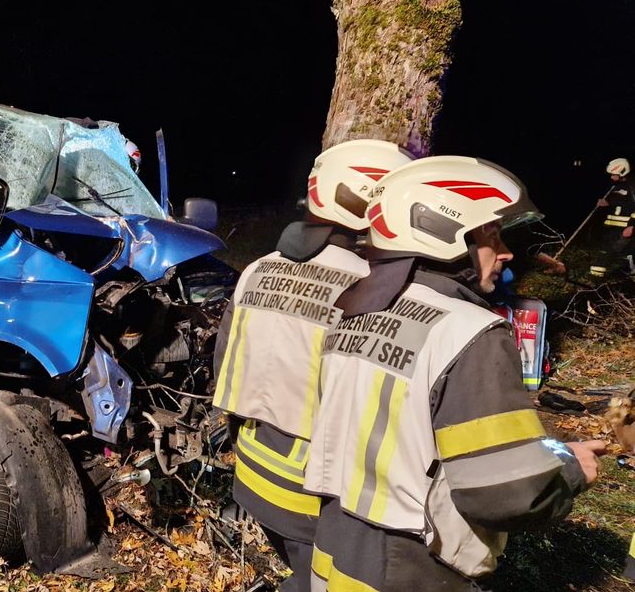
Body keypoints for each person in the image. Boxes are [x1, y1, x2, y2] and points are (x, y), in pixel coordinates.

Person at [306, 156, 605, 590]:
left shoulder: (355, 309)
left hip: (336, 537)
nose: (505, 252)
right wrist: (571, 469)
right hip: (413, 563)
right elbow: (506, 492)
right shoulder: (471, 332)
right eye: (491, 236)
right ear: (443, 231)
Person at [212, 139, 414, 590]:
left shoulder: (257, 269)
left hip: (254, 474)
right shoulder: (367, 288)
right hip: (316, 495)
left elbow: (224, 367)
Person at [590, 157, 634, 278]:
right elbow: (618, 202)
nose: (611, 177)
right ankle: (625, 274)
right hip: (611, 227)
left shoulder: (632, 186)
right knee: (620, 253)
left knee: (610, 252)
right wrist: (606, 202)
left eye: (613, 174)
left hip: (625, 228)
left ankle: (596, 281)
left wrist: (632, 226)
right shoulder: (615, 187)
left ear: (622, 172)